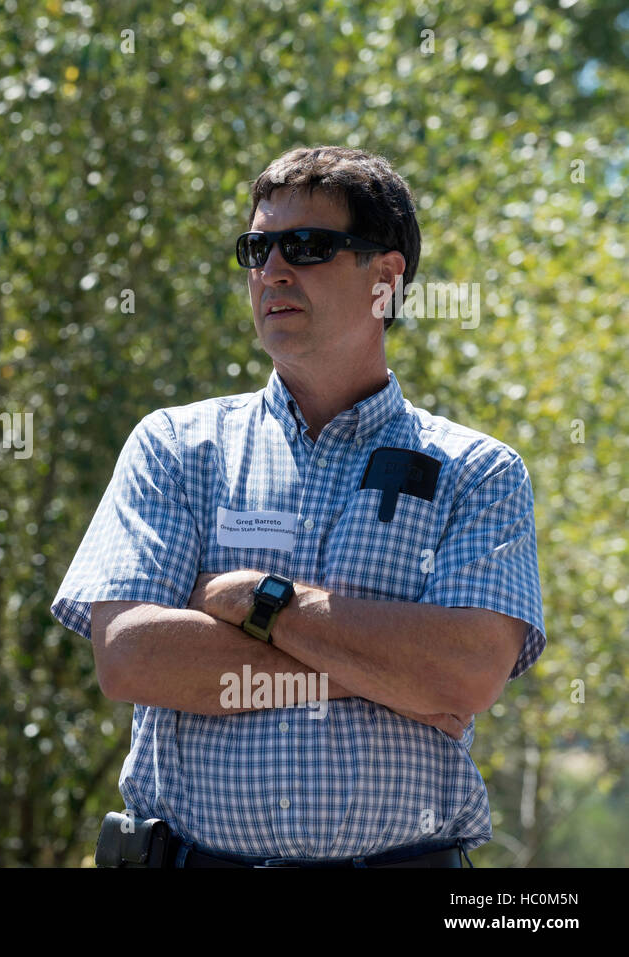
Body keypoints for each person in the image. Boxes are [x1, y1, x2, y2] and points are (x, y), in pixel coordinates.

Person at [54, 146, 544, 868]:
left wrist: (259, 600)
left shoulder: (478, 472)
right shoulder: (175, 446)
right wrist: (390, 673)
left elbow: (466, 675)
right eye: (258, 247)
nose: (273, 269)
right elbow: (131, 656)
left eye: (308, 246)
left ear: (385, 280)